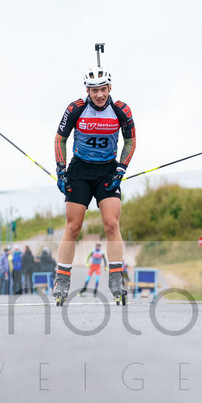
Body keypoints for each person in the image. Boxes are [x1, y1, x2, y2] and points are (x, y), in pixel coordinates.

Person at [52, 64, 136, 305]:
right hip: (80, 170)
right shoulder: (76, 108)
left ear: (110, 88)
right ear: (87, 91)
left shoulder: (121, 110)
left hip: (107, 171)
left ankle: (116, 278)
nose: (99, 94)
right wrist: (61, 170)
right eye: (94, 90)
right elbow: (60, 139)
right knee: (73, 227)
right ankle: (62, 279)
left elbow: (130, 142)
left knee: (112, 224)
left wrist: (121, 169)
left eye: (103, 89)